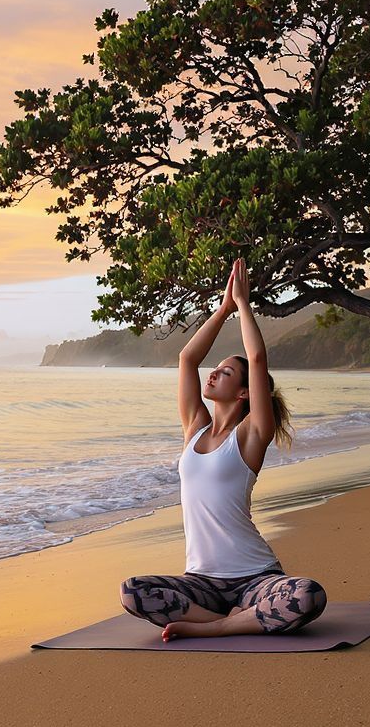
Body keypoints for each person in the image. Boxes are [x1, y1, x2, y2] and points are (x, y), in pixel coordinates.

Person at [119, 258, 327, 642]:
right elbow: (187, 359)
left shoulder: (251, 435)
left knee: (307, 596)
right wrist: (224, 309)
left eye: (226, 373)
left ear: (245, 392)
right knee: (134, 591)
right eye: (216, 369)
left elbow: (259, 359)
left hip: (255, 577)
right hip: (202, 584)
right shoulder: (195, 429)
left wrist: (245, 305)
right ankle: (231, 620)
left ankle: (216, 627)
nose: (213, 374)